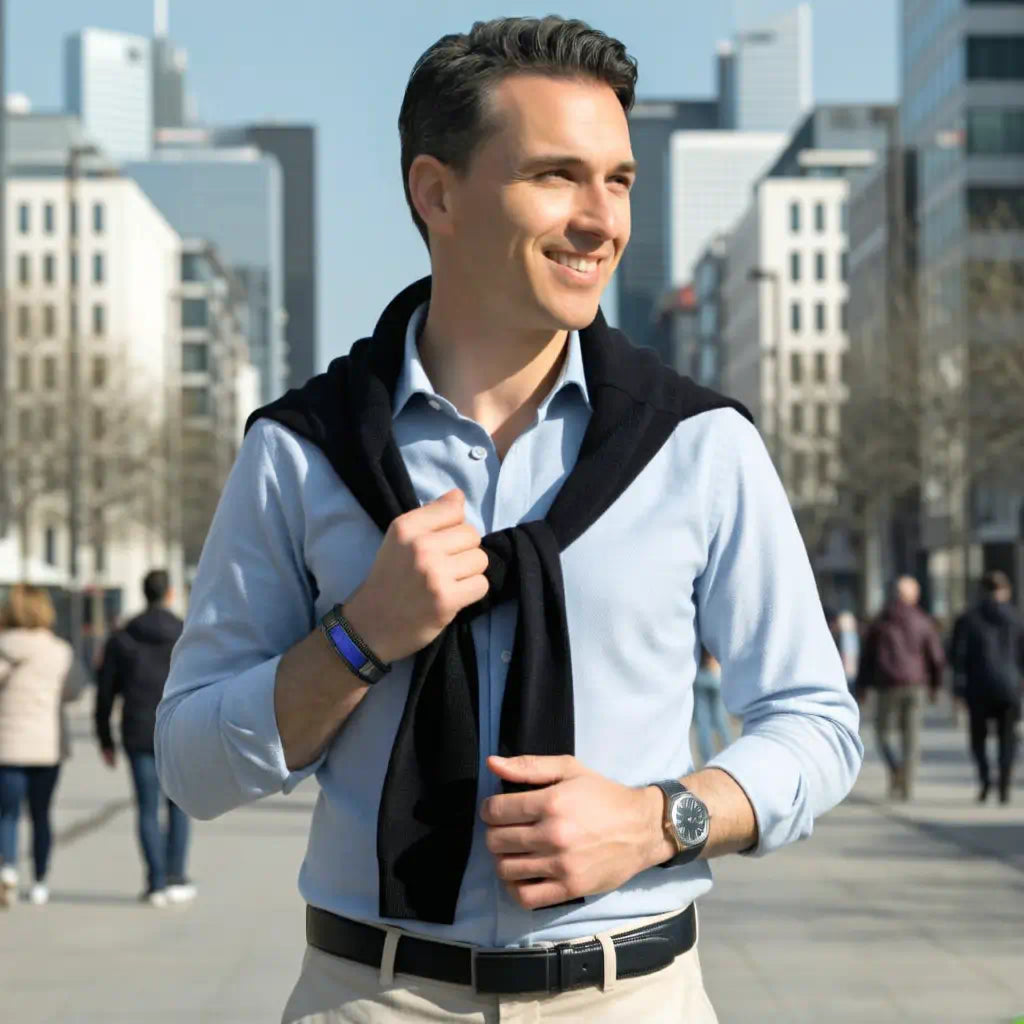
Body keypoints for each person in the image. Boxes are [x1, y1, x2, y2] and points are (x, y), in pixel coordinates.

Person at [156, 17, 862, 1022]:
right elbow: (188, 762)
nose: (600, 220)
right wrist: (357, 640)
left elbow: (817, 724)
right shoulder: (300, 449)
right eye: (556, 176)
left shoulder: (699, 445)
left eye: (617, 180)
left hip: (634, 996)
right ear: (435, 192)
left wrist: (661, 819)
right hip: (371, 997)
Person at [96, 570, 193, 908]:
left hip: (137, 730)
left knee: (147, 809)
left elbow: (105, 693)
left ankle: (154, 884)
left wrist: (104, 739)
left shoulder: (122, 637)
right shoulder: (186, 633)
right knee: (179, 805)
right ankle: (177, 876)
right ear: (168, 594)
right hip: (179, 729)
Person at [0, 584, 89, 907]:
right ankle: (39, 881)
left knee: (6, 814)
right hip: (46, 745)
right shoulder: (59, 651)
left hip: (6, 747)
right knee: (41, 814)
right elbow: (75, 690)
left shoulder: (3, 647)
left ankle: (7, 868)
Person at [857, 576, 945, 801]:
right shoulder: (923, 620)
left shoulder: (880, 621)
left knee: (883, 732)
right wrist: (935, 686)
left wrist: (862, 688)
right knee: (911, 736)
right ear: (913, 596)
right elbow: (936, 658)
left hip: (887, 685)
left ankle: (895, 768)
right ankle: (906, 784)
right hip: (915, 685)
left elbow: (866, 658)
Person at [951, 571, 1024, 804]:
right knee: (1007, 738)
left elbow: (957, 656)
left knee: (978, 738)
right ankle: (1004, 786)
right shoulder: (1016, 618)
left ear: (981, 591)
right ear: (1006, 591)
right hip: (1010, 688)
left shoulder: (968, 619)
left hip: (978, 688)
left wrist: (958, 689)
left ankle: (985, 780)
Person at [692, 650, 730, 765]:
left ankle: (707, 760)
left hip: (699, 677)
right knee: (720, 720)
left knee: (703, 724)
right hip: (715, 675)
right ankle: (728, 751)